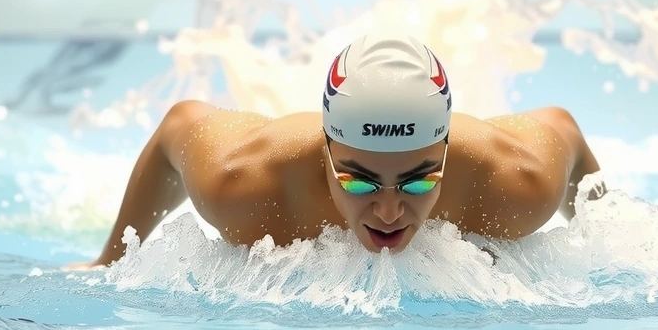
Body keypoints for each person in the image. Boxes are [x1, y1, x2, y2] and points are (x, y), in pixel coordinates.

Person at [76, 33, 601, 264]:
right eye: (359, 180)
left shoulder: (515, 183)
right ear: (326, 153)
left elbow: (565, 132)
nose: (391, 211)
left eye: (420, 179)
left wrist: (602, 240)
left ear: (445, 154)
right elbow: (179, 125)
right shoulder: (242, 185)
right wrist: (109, 260)